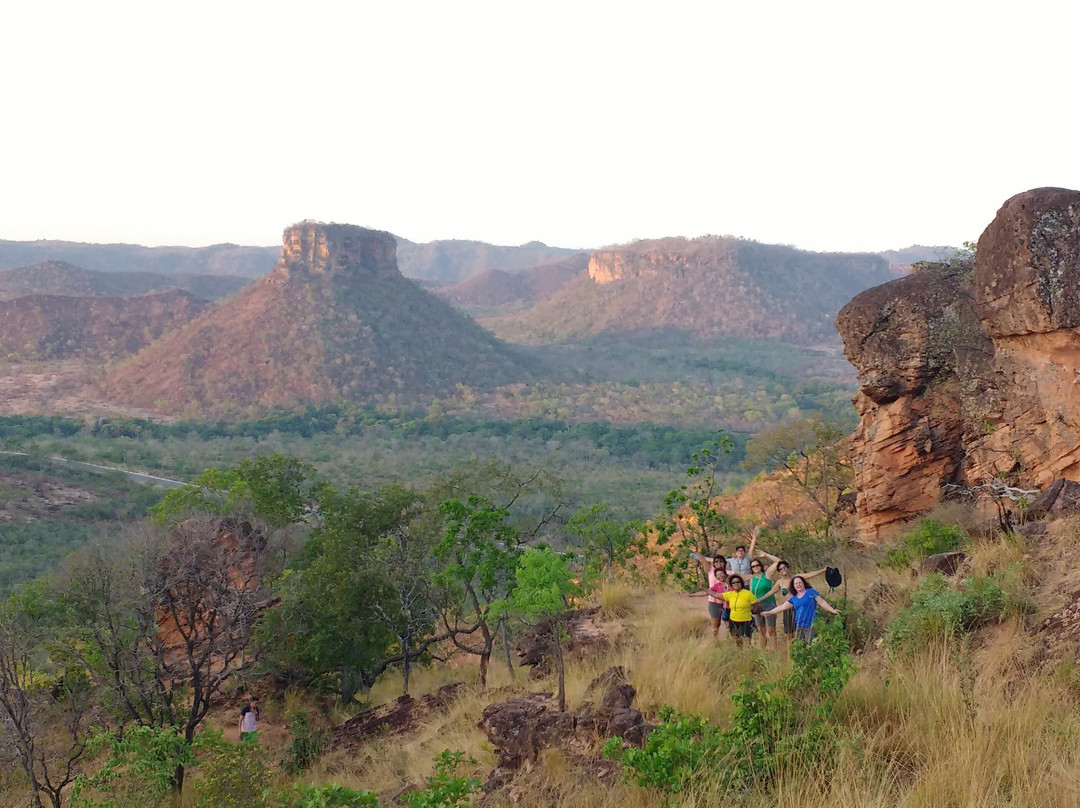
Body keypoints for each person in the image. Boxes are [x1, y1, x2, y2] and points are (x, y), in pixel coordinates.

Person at [758, 561, 828, 643]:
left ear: (788, 568)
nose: (783, 570)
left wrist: (823, 570)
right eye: (780, 569)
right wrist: (759, 600)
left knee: (798, 632)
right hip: (787, 609)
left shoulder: (796, 578)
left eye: (784, 567)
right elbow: (771, 592)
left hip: (798, 608)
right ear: (779, 572)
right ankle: (790, 651)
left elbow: (809, 575)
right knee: (789, 634)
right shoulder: (780, 582)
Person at [762, 575, 840, 643]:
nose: (798, 585)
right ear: (793, 586)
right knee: (800, 646)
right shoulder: (794, 598)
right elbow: (782, 607)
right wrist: (769, 612)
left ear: (803, 583)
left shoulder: (811, 592)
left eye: (800, 583)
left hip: (811, 625)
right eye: (796, 583)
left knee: (811, 645)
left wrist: (832, 610)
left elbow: (822, 602)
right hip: (799, 625)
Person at [686, 554, 730, 639]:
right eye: (716, 561)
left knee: (729, 624)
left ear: (724, 563)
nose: (718, 563)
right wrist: (692, 595)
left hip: (728, 603)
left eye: (721, 561)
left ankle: (729, 641)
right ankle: (716, 642)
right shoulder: (711, 570)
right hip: (714, 602)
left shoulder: (730, 573)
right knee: (715, 624)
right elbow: (704, 561)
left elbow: (741, 579)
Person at [748, 558, 778, 650]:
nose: (755, 567)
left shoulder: (767, 574)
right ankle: (763, 651)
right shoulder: (752, 579)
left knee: (771, 629)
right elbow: (751, 593)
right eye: (753, 566)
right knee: (761, 630)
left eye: (757, 565)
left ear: (761, 566)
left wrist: (765, 554)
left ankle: (774, 650)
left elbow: (778, 562)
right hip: (757, 606)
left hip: (769, 604)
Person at [721, 574, 757, 649]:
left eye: (738, 582)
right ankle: (740, 653)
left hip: (745, 620)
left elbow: (755, 605)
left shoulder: (748, 593)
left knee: (747, 639)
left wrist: (752, 611)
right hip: (733, 620)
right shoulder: (730, 594)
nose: (736, 584)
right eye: (733, 582)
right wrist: (704, 589)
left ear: (741, 583)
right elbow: (715, 594)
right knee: (736, 638)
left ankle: (748, 653)